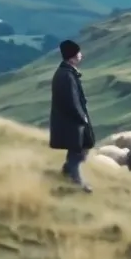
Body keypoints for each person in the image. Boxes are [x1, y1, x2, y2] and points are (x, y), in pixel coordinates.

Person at [49, 39, 94, 193]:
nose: (81, 55)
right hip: (72, 122)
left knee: (79, 150)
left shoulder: (64, 73)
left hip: (68, 121)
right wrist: (82, 117)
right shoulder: (67, 75)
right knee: (78, 152)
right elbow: (72, 100)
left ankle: (67, 173)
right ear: (73, 56)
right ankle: (76, 183)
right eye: (78, 52)